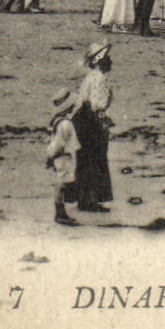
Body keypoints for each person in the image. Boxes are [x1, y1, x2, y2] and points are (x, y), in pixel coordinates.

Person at [66, 42, 114, 214]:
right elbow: (97, 105)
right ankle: (91, 200)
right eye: (107, 58)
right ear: (99, 62)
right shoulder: (99, 79)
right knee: (95, 159)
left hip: (81, 120)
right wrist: (103, 122)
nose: (110, 62)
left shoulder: (91, 77)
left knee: (85, 159)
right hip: (91, 121)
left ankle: (83, 199)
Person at [45, 94, 82, 226]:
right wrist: (51, 155)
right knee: (62, 184)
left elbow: (53, 141)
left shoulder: (56, 121)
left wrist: (50, 156)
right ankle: (60, 214)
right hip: (64, 156)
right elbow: (59, 144)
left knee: (62, 183)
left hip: (60, 155)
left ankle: (61, 212)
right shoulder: (66, 124)